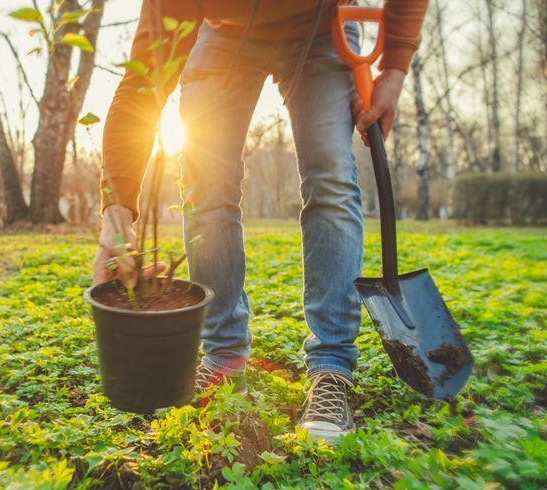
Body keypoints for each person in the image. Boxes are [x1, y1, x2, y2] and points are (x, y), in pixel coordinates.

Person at [93, 0, 428, 443]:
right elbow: (144, 81)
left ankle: (331, 367)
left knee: (330, 176)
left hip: (323, 25)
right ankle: (224, 360)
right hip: (223, 31)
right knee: (206, 183)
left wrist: (395, 68)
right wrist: (117, 210)